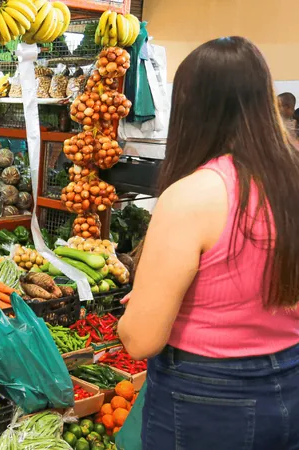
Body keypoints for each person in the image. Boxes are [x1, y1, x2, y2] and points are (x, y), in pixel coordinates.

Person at [117, 37, 299, 449]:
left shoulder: (193, 195)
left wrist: (138, 313)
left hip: (208, 400)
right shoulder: (292, 183)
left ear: (189, 108)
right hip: (289, 384)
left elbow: (141, 340)